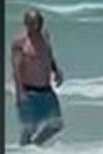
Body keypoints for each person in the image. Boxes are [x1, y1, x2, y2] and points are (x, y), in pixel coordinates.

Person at [11, 9, 65, 146]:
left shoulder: (45, 38)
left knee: (56, 124)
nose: (34, 26)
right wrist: (20, 93)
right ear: (25, 23)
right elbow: (16, 70)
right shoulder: (20, 43)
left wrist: (56, 70)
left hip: (47, 90)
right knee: (29, 129)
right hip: (29, 92)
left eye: (36, 23)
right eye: (30, 23)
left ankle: (34, 147)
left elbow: (48, 56)